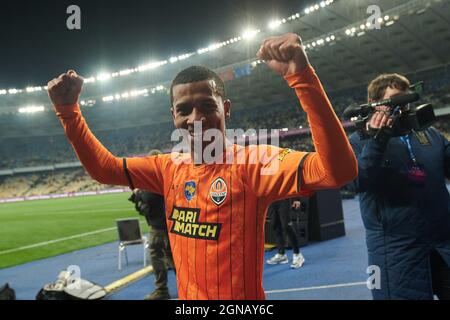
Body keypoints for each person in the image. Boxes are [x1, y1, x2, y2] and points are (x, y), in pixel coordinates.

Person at [47, 33, 357, 300]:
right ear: (173, 116)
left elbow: (338, 171)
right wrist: (68, 112)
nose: (196, 119)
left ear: (226, 109)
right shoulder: (166, 168)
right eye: (184, 110)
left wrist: (302, 77)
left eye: (207, 106)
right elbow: (104, 169)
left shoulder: (253, 164)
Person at [348, 73, 450, 300]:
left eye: (407, 99)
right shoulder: (358, 140)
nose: (404, 106)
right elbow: (356, 181)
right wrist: (378, 139)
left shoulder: (429, 134)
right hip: (395, 251)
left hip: (443, 243)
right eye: (396, 100)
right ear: (377, 105)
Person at [128, 149, 174, 300]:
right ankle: (188, 288)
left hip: (158, 229)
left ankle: (162, 291)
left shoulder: (151, 183)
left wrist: (138, 195)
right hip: (174, 227)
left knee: (157, 257)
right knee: (173, 258)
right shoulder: (170, 177)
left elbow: (146, 206)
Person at [266, 199, 305, 269]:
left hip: (284, 197)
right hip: (272, 199)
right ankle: (281, 255)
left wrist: (296, 199)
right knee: (275, 225)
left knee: (286, 226)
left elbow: (292, 187)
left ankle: (298, 254)